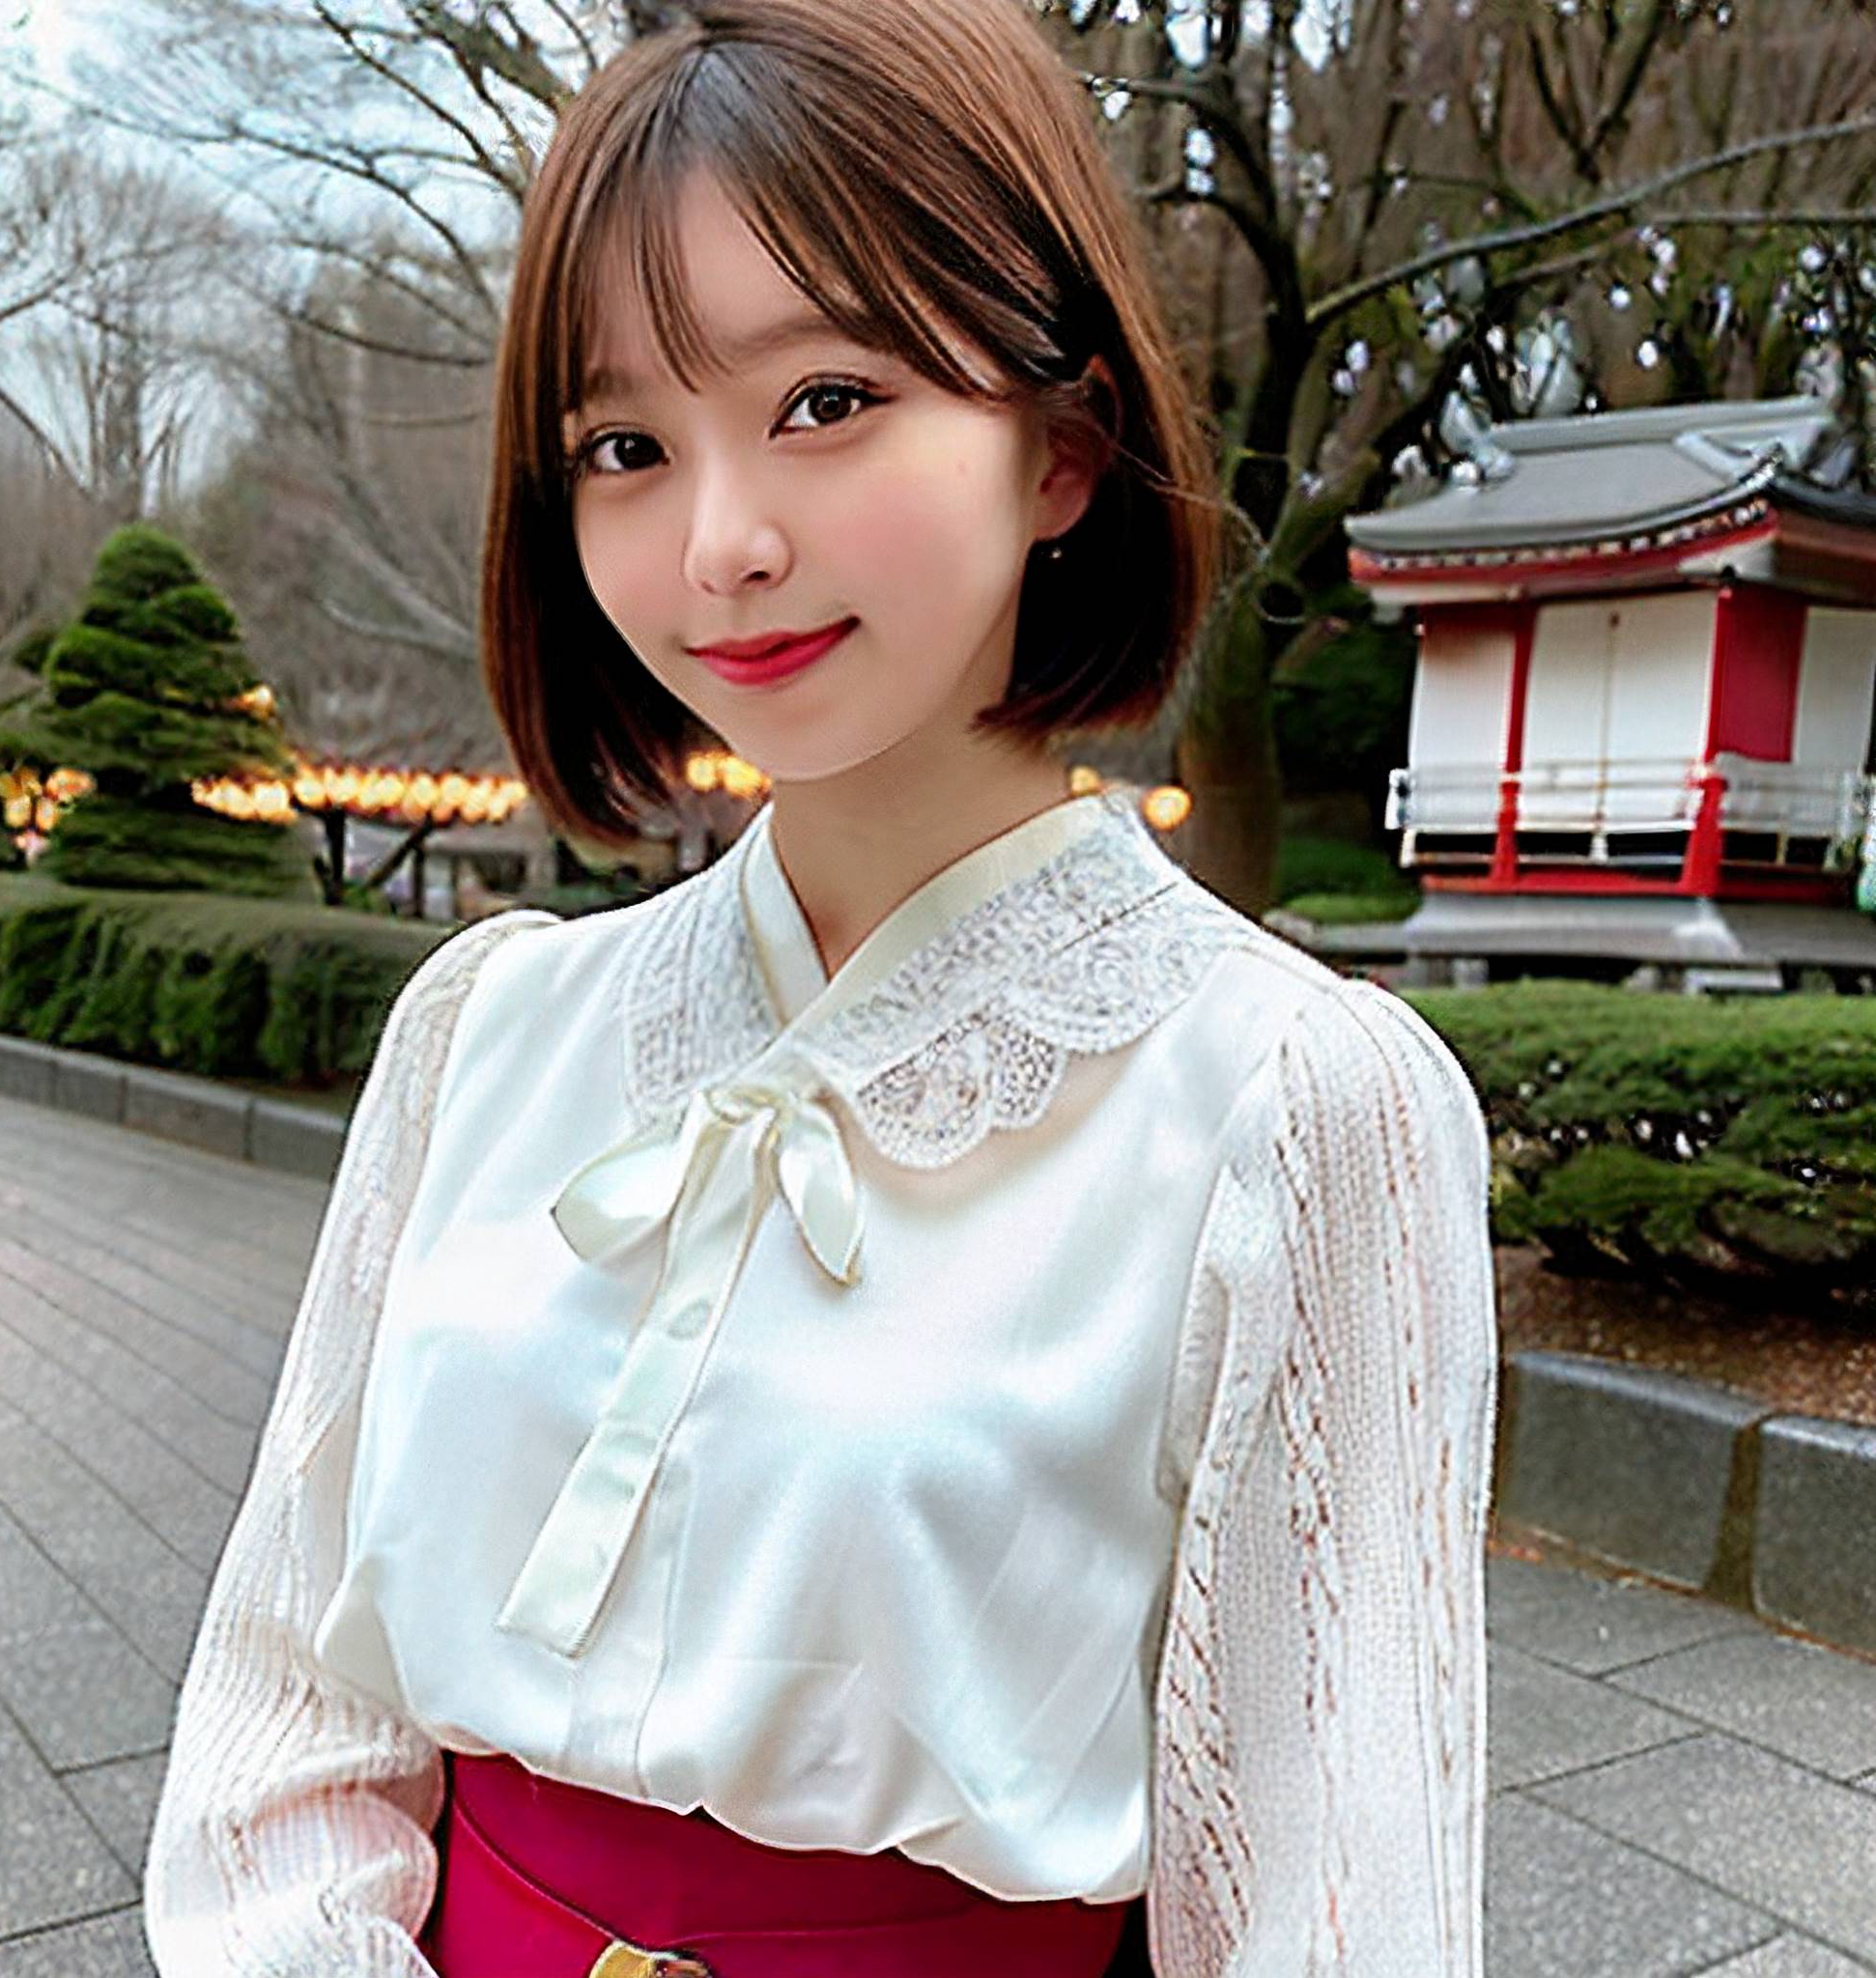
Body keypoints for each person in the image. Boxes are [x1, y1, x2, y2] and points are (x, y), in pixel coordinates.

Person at [140, 1, 1499, 1972]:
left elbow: (1332, 1903)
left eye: (827, 400)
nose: (720, 544)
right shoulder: (485, 1036)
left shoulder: (1289, 1108)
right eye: (625, 444)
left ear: (1062, 445)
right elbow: (289, 1731)